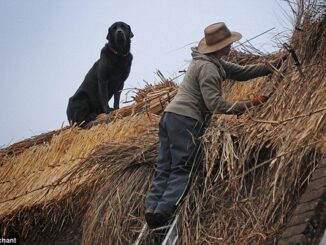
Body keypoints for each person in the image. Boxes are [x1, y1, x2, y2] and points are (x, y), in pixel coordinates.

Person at [145, 22, 285, 229]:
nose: (231, 46)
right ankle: (164, 213)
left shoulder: (208, 61)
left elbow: (243, 72)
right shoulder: (209, 68)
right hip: (187, 119)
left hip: (170, 117)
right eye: (228, 43)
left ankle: (152, 208)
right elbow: (215, 104)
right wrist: (249, 104)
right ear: (220, 46)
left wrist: (273, 65)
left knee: (165, 165)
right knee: (183, 167)